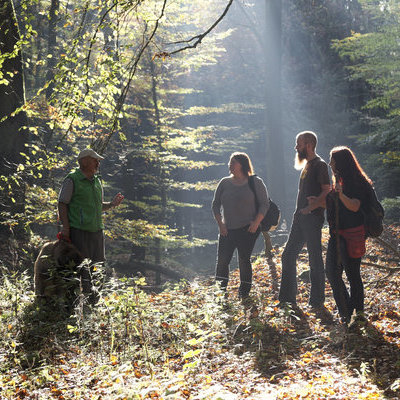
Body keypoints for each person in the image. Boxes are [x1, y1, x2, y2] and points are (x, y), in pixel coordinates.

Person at [58, 148, 124, 295]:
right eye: (95, 160)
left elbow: (98, 207)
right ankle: (83, 301)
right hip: (78, 231)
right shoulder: (72, 179)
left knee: (99, 265)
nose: (98, 163)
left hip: (97, 231)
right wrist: (66, 228)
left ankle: (95, 300)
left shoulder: (97, 181)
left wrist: (112, 204)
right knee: (83, 266)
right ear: (85, 161)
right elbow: (62, 203)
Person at [278, 131, 330, 308]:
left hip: (312, 218)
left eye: (298, 144)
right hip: (300, 218)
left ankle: (317, 301)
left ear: (308, 145)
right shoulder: (307, 165)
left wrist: (311, 207)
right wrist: (300, 212)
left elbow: (327, 190)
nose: (296, 147)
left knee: (314, 258)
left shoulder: (320, 165)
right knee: (288, 255)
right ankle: (287, 299)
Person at [325, 146, 372, 326]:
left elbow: (354, 206)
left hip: (352, 235)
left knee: (353, 275)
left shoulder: (356, 182)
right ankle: (346, 310)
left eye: (333, 160)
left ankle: (358, 314)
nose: (330, 163)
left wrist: (340, 194)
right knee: (332, 272)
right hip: (336, 235)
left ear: (341, 162)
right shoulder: (340, 180)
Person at [212, 152, 269, 298]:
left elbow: (264, 204)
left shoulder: (255, 182)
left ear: (242, 165)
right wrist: (221, 225)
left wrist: (256, 222)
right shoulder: (224, 183)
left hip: (248, 229)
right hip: (227, 229)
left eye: (233, 162)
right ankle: (220, 293)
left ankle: (244, 294)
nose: (229, 165)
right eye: (229, 162)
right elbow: (215, 205)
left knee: (244, 260)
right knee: (223, 261)